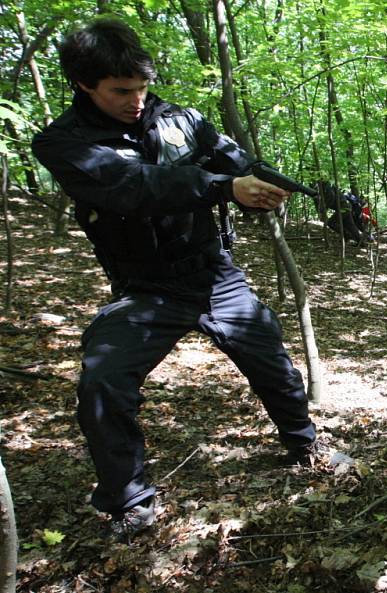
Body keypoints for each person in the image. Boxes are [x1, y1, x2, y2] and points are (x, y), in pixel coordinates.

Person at [32, 19, 317, 540]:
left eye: (141, 87)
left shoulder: (182, 120)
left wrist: (263, 182)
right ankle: (129, 500)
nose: (136, 100)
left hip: (213, 273)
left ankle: (305, 445)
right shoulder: (63, 143)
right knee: (103, 382)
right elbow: (133, 188)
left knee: (271, 359)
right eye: (121, 91)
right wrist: (226, 187)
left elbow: (236, 160)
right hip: (144, 291)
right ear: (83, 84)